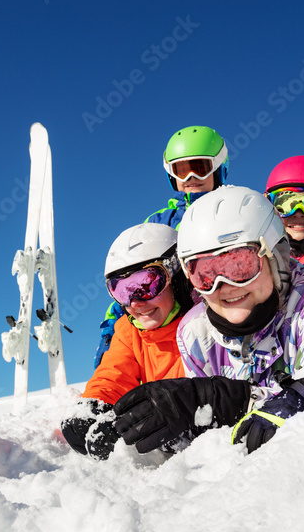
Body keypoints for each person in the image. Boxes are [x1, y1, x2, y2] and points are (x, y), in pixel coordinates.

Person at [113, 185, 304, 454]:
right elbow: (211, 443)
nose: (224, 286)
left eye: (240, 265)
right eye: (206, 273)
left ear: (275, 257)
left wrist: (236, 400)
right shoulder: (195, 332)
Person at [93, 125, 229, 368]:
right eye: (181, 171)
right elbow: (133, 271)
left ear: (218, 168)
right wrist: (111, 324)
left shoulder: (234, 210)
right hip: (174, 314)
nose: (190, 179)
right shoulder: (160, 222)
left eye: (199, 169)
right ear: (171, 175)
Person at [61, 223, 195, 460]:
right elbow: (114, 373)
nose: (135, 303)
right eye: (122, 291)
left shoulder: (204, 320)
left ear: (178, 276)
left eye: (146, 284)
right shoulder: (128, 329)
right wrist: (94, 406)